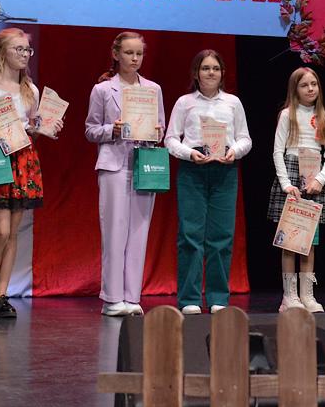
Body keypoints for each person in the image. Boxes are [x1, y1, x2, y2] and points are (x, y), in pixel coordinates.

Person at [0, 28, 61, 319]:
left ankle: (2, 294)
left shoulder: (30, 90)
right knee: (1, 230)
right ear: (2, 52)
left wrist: (46, 127)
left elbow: (32, 127)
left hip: (23, 159)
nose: (24, 54)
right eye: (18, 49)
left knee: (13, 232)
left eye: (27, 50)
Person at [85, 32, 165, 317]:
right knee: (114, 231)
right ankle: (112, 298)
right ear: (116, 54)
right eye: (129, 53)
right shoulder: (103, 90)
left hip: (144, 164)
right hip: (114, 166)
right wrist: (113, 130)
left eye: (139, 53)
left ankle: (132, 297)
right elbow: (91, 130)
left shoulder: (153, 89)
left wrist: (156, 132)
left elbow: (160, 127)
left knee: (139, 232)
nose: (134, 58)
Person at [165, 50, 251, 314]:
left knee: (221, 236)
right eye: (205, 68)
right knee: (190, 235)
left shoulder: (233, 103)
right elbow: (170, 139)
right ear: (196, 73)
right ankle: (189, 298)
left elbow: (245, 138)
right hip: (193, 169)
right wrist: (189, 153)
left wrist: (234, 151)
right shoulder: (185, 103)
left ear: (222, 73)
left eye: (215, 68)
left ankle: (218, 298)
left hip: (224, 170)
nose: (211, 72)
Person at [267, 67, 325, 313]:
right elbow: (278, 151)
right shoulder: (288, 115)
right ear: (295, 89)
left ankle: (307, 295)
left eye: (314, 84)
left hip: (313, 177)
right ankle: (289, 296)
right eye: (304, 85)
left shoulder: (324, 116)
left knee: (309, 241)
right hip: (292, 175)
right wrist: (286, 184)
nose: (310, 89)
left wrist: (320, 179)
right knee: (290, 240)